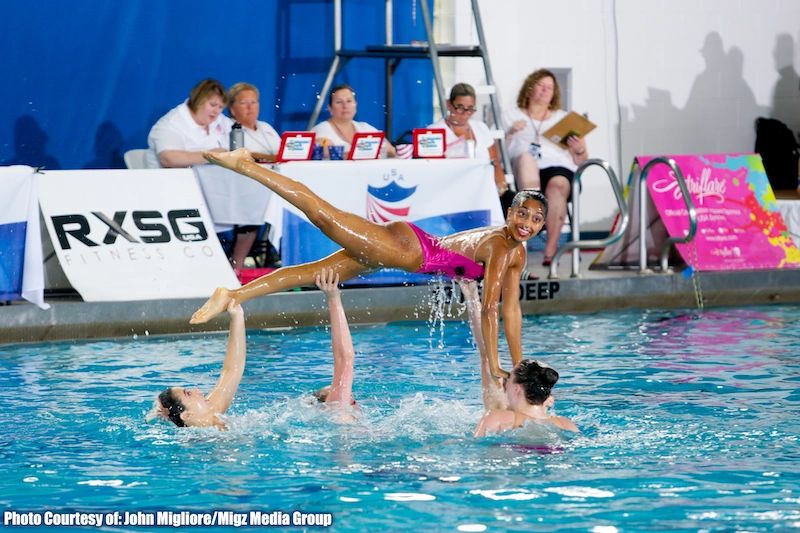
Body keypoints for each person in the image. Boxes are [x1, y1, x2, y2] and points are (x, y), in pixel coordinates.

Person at [189, 148, 548, 382]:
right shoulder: (503, 247)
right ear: (509, 212)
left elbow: (512, 310)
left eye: (535, 219)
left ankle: (233, 294)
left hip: (402, 249)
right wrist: (494, 364)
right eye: (522, 213)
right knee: (322, 213)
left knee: (311, 273)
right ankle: (245, 165)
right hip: (403, 249)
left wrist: (517, 364)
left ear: (542, 226)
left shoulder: (516, 252)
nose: (526, 223)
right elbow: (490, 310)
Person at [458, 280, 577, 435]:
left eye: (507, 380)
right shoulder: (565, 424)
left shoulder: (498, 417)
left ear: (517, 388)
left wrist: (471, 295)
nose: (502, 384)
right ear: (548, 399)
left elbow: (487, 354)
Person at [504, 69, 589, 266]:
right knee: (525, 158)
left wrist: (578, 149)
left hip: (558, 168)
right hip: (523, 170)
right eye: (541, 86)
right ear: (530, 88)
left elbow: (581, 160)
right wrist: (509, 134)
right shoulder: (510, 116)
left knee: (558, 184)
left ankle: (550, 251)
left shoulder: (564, 118)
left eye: (549, 88)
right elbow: (497, 153)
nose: (545, 91)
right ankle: (535, 217)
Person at [149, 300, 245, 430]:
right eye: (188, 393)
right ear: (187, 415)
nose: (197, 390)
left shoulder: (213, 411)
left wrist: (237, 316)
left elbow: (232, 370)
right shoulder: (193, 444)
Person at [226, 82, 283, 272]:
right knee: (252, 209)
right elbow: (244, 154)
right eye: (244, 103)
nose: (250, 107)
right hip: (243, 185)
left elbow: (283, 152)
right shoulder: (230, 129)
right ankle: (237, 266)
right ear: (232, 108)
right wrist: (273, 157)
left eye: (254, 102)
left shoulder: (266, 127)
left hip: (274, 181)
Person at [428, 83, 508, 195]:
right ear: (449, 105)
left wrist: (501, 186)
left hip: (482, 188)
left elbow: (495, 162)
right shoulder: (433, 132)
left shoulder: (481, 128)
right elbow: (432, 171)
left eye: (470, 109)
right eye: (460, 108)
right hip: (452, 190)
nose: (465, 114)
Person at [146, 78, 232, 168]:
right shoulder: (171, 123)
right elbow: (169, 159)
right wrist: (212, 156)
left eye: (221, 107)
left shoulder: (220, 119)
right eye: (213, 105)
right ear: (198, 100)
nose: (216, 111)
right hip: (172, 180)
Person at [311, 268, 359, 422]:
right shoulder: (337, 409)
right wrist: (334, 298)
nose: (347, 393)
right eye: (334, 390)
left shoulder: (338, 416)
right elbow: (345, 358)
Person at [312, 84, 396, 158]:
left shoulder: (365, 128)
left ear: (355, 105)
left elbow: (392, 151)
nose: (345, 106)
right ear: (330, 108)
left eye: (349, 101)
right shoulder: (321, 130)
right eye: (339, 102)